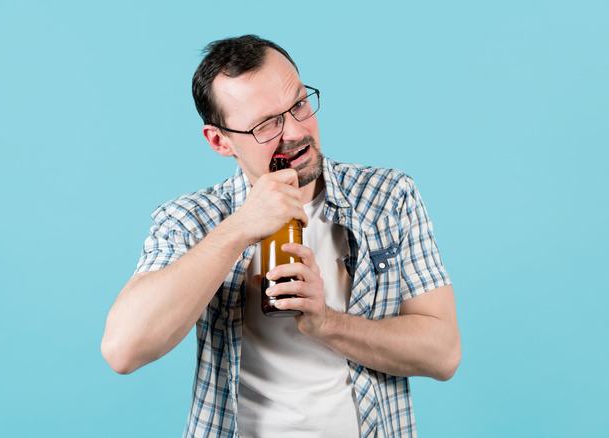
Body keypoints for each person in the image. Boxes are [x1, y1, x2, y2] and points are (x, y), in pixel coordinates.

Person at [101, 34, 460, 438]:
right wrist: (240, 227)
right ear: (220, 141)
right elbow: (123, 350)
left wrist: (328, 324)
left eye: (299, 105)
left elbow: (443, 352)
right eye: (266, 124)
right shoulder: (192, 220)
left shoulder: (387, 198)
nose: (294, 132)